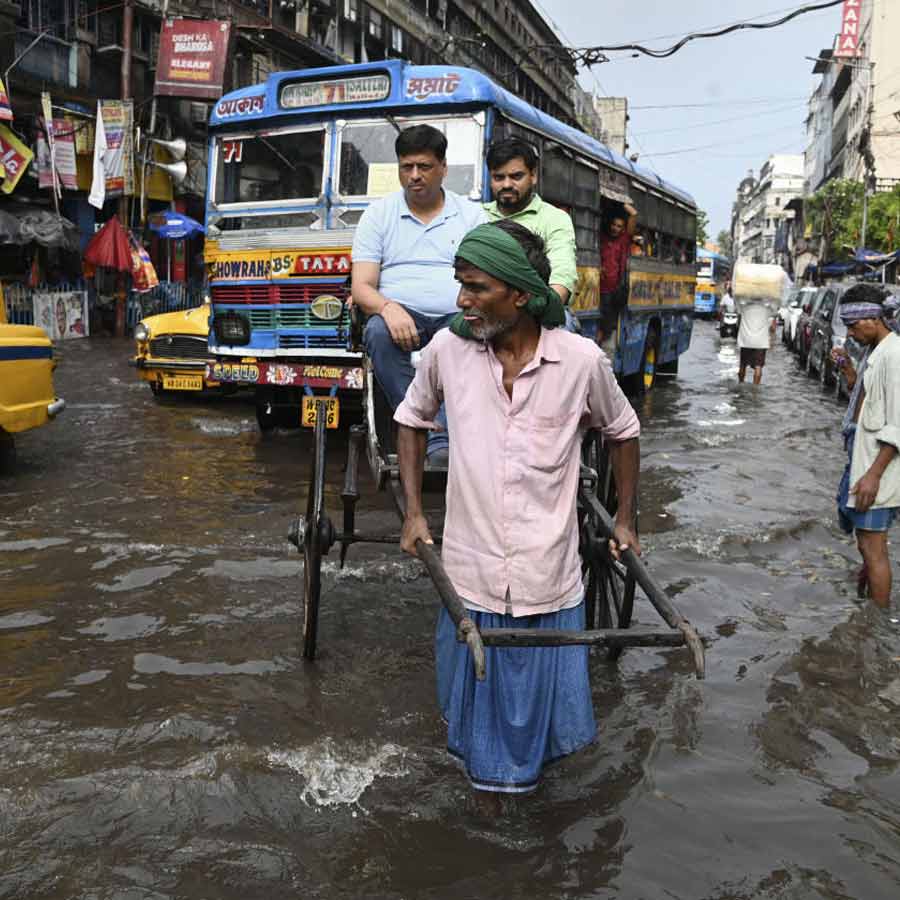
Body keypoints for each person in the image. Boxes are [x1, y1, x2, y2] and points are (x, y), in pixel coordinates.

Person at [395, 219, 641, 799]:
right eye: (460, 285)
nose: (462, 301)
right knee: (473, 741)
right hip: (470, 577)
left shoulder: (581, 361)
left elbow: (624, 432)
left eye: (477, 288)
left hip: (548, 579)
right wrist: (412, 511)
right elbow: (410, 420)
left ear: (521, 295)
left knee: (540, 746)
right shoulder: (447, 351)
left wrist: (625, 518)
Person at [351, 124, 486, 465]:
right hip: (400, 315)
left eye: (423, 167)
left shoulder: (471, 215)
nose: (414, 176)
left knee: (470, 337)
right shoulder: (378, 214)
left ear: (443, 168)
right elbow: (362, 286)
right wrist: (388, 307)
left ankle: (461, 431)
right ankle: (429, 427)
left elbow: (486, 279)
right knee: (377, 332)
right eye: (406, 167)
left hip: (458, 315)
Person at [830, 284, 900, 609]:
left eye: (854, 326)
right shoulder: (877, 351)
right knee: (864, 545)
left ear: (873, 319)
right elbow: (864, 400)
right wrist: (846, 368)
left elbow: (897, 425)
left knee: (874, 549)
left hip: (877, 468)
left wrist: (873, 475)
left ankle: (878, 622)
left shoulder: (895, 355)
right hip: (861, 458)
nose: (851, 333)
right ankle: (871, 604)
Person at [484, 138, 577, 305]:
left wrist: (546, 309)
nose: (506, 184)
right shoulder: (477, 215)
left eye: (516, 176)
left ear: (533, 176)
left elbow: (563, 272)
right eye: (498, 177)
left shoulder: (555, 218)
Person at [598, 201, 638, 348]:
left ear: (623, 229)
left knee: (607, 326)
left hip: (614, 290)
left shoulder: (624, 240)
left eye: (619, 226)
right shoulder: (602, 238)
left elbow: (633, 214)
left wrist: (620, 203)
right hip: (598, 288)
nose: (615, 228)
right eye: (614, 225)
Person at [736, 290, 778, 384]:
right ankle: (755, 389)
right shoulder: (766, 309)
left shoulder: (744, 307)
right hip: (760, 341)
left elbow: (736, 300)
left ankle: (740, 383)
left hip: (746, 340)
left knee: (743, 364)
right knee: (758, 366)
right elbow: (776, 306)